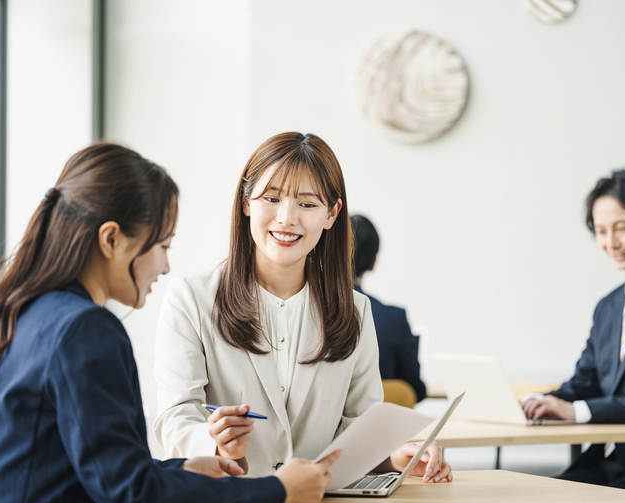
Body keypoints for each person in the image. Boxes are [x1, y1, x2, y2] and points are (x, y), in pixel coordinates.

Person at [0, 143, 341, 503]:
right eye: (162, 245)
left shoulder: (12, 314)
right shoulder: (85, 329)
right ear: (111, 240)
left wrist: (176, 471)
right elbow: (128, 491)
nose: (164, 266)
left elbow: (93, 469)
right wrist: (279, 491)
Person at [153, 132, 451, 483]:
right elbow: (175, 418)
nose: (286, 218)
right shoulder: (190, 298)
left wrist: (393, 455)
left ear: (331, 214)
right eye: (272, 198)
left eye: (307, 204)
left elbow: (360, 429)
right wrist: (214, 442)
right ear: (246, 202)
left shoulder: (355, 311)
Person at [521, 169, 625, 491]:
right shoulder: (609, 306)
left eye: (621, 228)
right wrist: (540, 402)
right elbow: (585, 382)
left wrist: (577, 412)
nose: (610, 243)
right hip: (605, 463)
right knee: (526, 501)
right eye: (600, 231)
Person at [351, 214, 427, 402]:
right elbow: (414, 389)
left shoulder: (304, 312)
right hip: (378, 428)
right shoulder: (394, 319)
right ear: (373, 263)